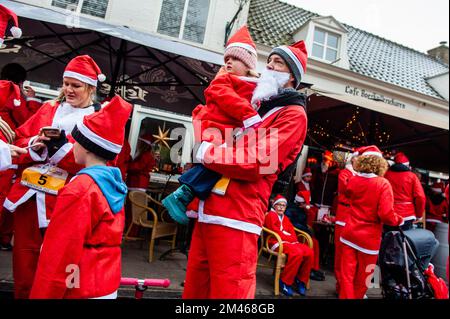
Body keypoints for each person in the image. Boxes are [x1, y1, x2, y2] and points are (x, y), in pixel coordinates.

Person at [182, 40, 309, 299]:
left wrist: (207, 153)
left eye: (278, 62)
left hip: (238, 213)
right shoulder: (259, 106)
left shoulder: (293, 114)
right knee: (196, 289)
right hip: (211, 208)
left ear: (291, 76)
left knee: (231, 292)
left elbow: (260, 161)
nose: (269, 66)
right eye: (269, 60)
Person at [3, 55, 107, 299]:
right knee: (23, 262)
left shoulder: (97, 119)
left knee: (56, 267)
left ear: (90, 88)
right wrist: (34, 143)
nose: (68, 90)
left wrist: (59, 149)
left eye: (76, 85)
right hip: (29, 197)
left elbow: (97, 164)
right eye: (66, 83)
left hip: (65, 202)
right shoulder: (49, 108)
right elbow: (18, 140)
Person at [30, 95, 131, 299]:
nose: (71, 146)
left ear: (85, 146)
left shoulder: (80, 188)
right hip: (104, 284)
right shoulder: (114, 182)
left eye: (73, 141)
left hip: (78, 287)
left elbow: (61, 252)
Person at [162, 25, 264, 225]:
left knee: (219, 167)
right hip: (215, 128)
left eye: (235, 59)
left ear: (248, 64)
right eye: (227, 58)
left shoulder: (250, 85)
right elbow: (228, 100)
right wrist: (250, 116)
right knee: (215, 164)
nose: (228, 62)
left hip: (228, 131)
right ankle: (181, 194)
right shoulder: (222, 81)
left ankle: (188, 202)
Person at [339, 146, 404, 299]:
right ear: (380, 164)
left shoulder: (354, 180)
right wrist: (399, 219)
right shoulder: (383, 184)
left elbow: (348, 193)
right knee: (365, 277)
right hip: (369, 238)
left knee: (347, 275)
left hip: (349, 233)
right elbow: (386, 214)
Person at [264, 195, 314, 296]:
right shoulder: (270, 215)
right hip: (275, 242)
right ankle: (285, 281)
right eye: (279, 205)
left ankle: (301, 279)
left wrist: (290, 238)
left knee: (309, 252)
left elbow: (293, 234)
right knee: (297, 253)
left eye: (284, 205)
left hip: (288, 242)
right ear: (274, 205)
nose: (282, 207)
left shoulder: (286, 218)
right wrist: (289, 237)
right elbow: (275, 231)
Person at [286, 191, 325, 282]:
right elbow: (291, 224)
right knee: (312, 242)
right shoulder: (291, 209)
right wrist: (305, 230)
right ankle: (309, 268)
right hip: (295, 234)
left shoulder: (302, 210)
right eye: (304, 203)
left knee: (315, 242)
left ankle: (313, 267)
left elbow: (307, 221)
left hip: (302, 232)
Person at [334, 150, 358, 295]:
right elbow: (348, 189)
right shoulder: (345, 173)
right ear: (353, 160)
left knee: (352, 255)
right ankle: (340, 285)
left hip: (355, 216)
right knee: (340, 253)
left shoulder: (359, 176)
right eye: (358, 159)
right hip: (344, 215)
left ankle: (349, 286)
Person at [384, 152, 426, 230]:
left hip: (388, 212)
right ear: (407, 165)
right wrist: (419, 215)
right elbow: (420, 197)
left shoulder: (386, 175)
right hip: (407, 215)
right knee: (404, 240)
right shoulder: (412, 176)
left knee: (387, 239)